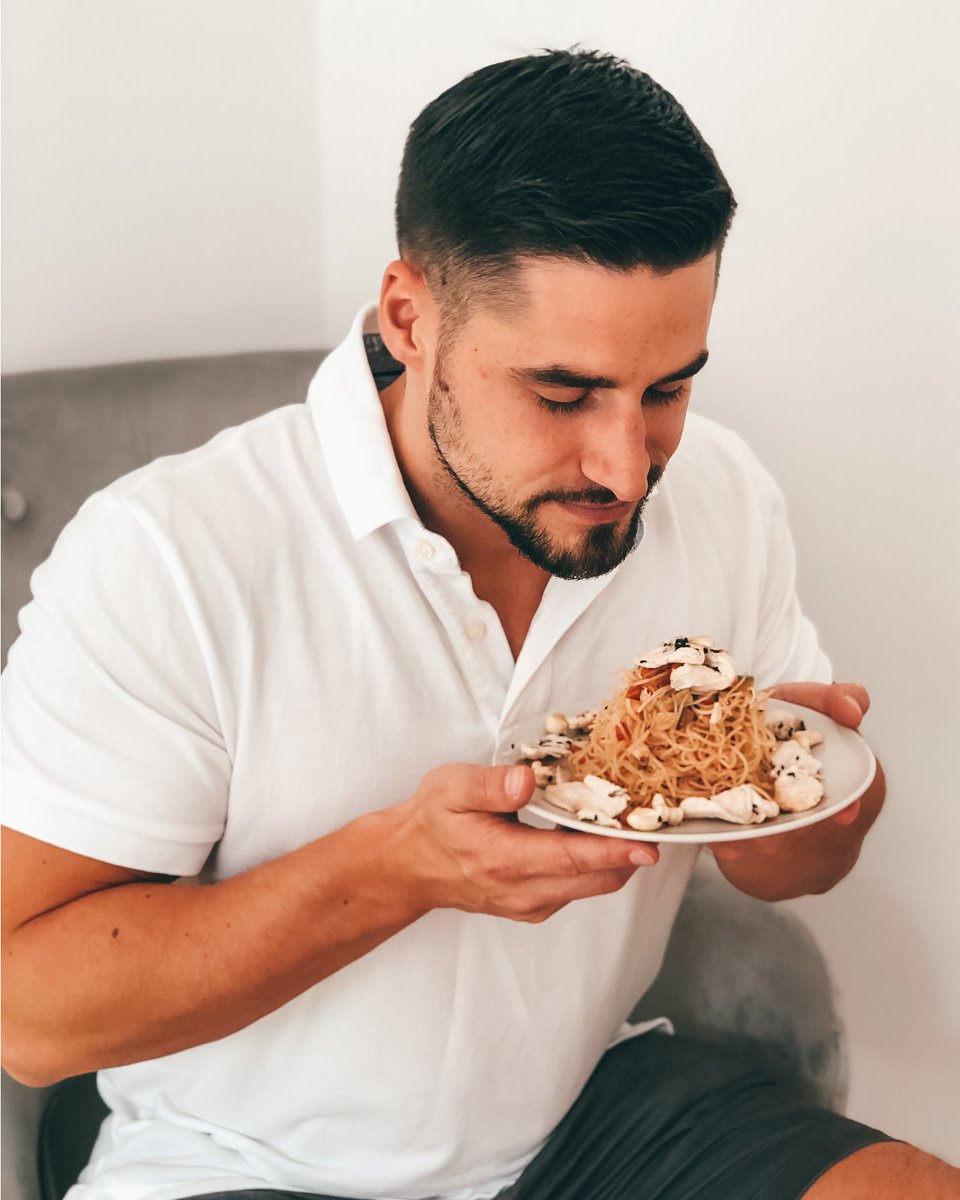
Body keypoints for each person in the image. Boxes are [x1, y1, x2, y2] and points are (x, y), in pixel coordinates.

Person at [2, 47, 957, 1200]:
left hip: (587, 1122)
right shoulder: (173, 554)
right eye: (562, 395)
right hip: (243, 1162)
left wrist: (803, 805)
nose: (625, 468)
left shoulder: (723, 492)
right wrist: (390, 872)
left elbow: (793, 869)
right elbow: (27, 1015)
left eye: (668, 389)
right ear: (410, 317)